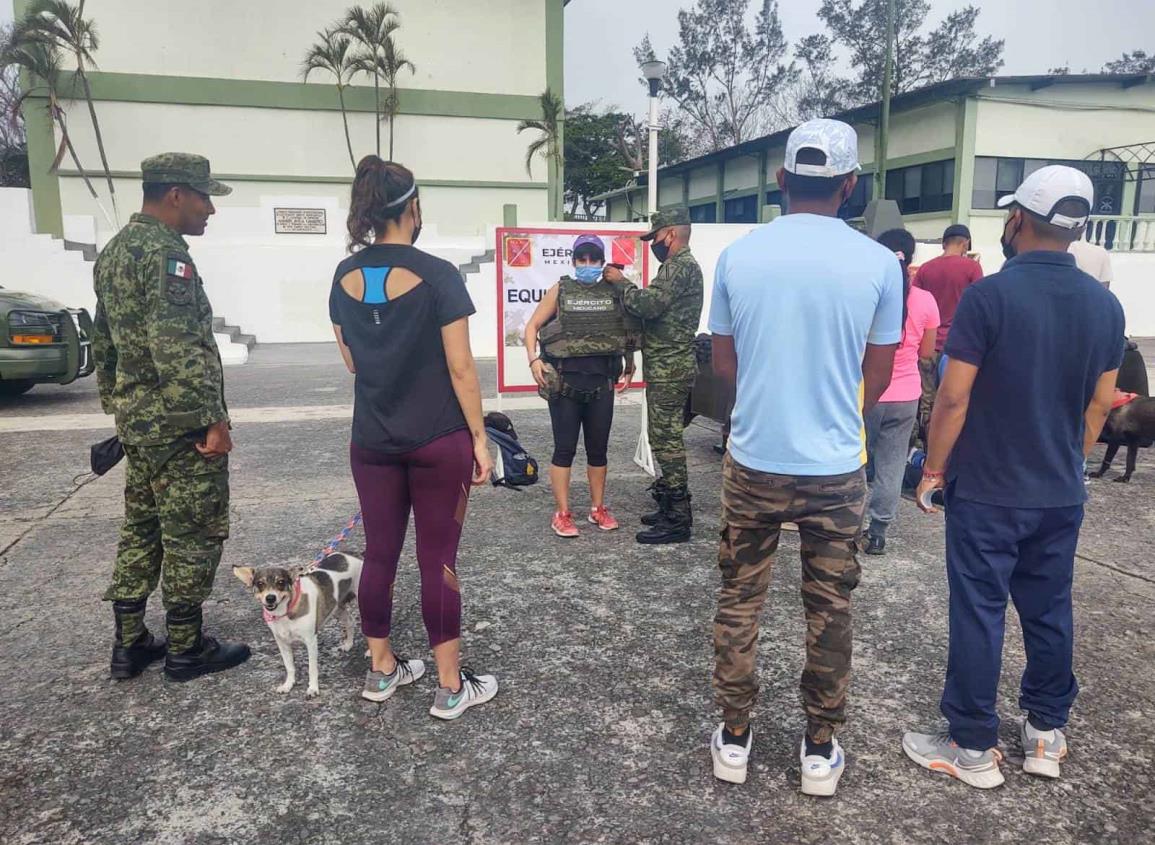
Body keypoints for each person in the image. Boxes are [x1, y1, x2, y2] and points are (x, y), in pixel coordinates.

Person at [906, 165, 1125, 789]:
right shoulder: (1104, 305)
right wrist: (1070, 459)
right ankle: (1045, 734)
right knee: (1050, 610)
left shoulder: (990, 297)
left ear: (1019, 220)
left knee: (980, 611)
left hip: (987, 489)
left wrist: (935, 470)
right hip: (1059, 490)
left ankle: (972, 745)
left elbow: (953, 399)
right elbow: (1100, 404)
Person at [706, 119, 902, 794]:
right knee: (829, 607)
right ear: (849, 187)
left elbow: (725, 364)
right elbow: (877, 376)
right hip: (835, 465)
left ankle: (734, 737)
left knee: (740, 597)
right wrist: (833, 414)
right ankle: (818, 747)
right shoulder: (880, 264)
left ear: (781, 179)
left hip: (755, 457)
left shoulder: (738, 255)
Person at [330, 157, 498, 720]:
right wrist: (479, 438)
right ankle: (449, 687)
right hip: (437, 440)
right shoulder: (439, 275)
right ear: (413, 207)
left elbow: (352, 361)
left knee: (380, 553)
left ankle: (382, 671)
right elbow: (461, 369)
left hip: (372, 441)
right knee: (438, 559)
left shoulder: (343, 278)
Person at [93, 153, 251, 682]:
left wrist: (118, 408)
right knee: (192, 531)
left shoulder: (114, 253)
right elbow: (178, 345)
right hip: (179, 427)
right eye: (205, 197)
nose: (210, 209)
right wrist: (211, 420)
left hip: (139, 426)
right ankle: (186, 648)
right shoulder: (166, 256)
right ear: (176, 195)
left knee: (141, 529)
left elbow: (104, 344)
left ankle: (130, 643)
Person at [603, 208, 704, 545]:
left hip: (671, 367)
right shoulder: (675, 267)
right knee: (661, 436)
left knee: (667, 439)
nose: (654, 244)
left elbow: (649, 306)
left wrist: (622, 284)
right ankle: (668, 502)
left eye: (656, 237)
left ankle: (678, 517)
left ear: (671, 234)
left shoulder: (680, 267)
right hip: (666, 364)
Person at [524, 235, 636, 538]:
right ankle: (561, 513)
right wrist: (534, 360)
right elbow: (532, 327)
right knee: (564, 450)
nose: (588, 265)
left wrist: (630, 363)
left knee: (598, 451)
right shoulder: (561, 289)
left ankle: (597, 508)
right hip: (564, 385)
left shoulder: (613, 292)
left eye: (594, 259)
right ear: (574, 262)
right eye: (582, 259)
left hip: (601, 383)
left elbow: (625, 331)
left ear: (601, 262)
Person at [863, 229, 941, 555]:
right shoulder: (926, 300)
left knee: (854, 462)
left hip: (866, 392)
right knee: (892, 464)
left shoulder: (867, 295)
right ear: (911, 257)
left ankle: (844, 525)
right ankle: (878, 532)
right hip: (906, 395)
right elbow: (926, 353)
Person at [911, 224, 984, 447]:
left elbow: (914, 302)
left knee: (927, 401)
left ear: (944, 243)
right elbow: (980, 305)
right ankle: (945, 449)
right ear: (966, 243)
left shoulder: (925, 269)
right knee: (953, 399)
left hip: (928, 343)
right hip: (958, 348)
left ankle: (923, 448)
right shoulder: (972, 268)